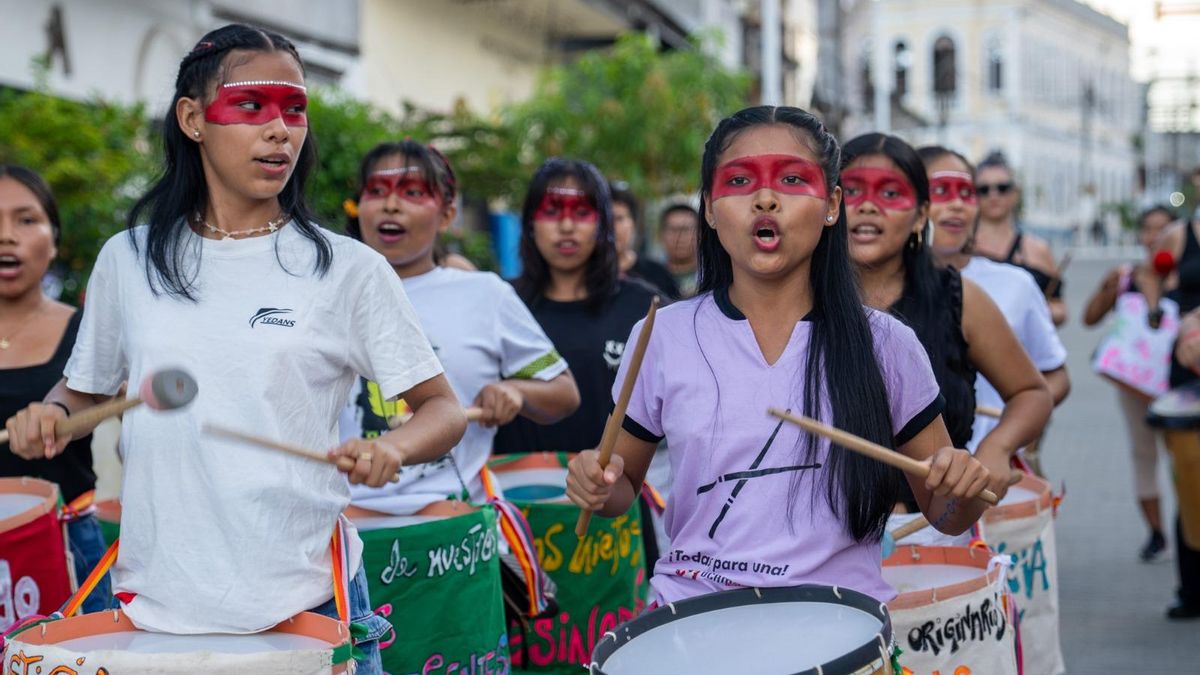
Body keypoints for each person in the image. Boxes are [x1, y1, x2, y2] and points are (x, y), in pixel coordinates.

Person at [3, 25, 466, 671]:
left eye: (295, 109)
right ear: (193, 118)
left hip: (306, 602)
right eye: (252, 106)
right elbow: (82, 390)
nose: (280, 129)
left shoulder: (348, 269)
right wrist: (50, 414)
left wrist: (391, 447)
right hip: (153, 607)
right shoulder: (128, 260)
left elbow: (442, 409)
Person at [566, 106, 993, 606]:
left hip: (839, 623)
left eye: (792, 179)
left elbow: (945, 515)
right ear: (709, 207)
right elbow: (622, 489)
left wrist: (960, 487)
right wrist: (596, 485)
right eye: (740, 180)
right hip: (692, 619)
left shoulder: (887, 345)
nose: (765, 199)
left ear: (832, 205)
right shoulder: (662, 335)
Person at [339, 139, 579, 512]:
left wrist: (516, 390)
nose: (391, 204)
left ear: (448, 213)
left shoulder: (484, 294)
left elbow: (564, 393)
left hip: (455, 525)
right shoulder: (325, 293)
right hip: (347, 527)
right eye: (376, 191)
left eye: (413, 192)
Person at [842, 135, 1052, 538]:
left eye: (889, 192)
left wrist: (995, 450)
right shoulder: (798, 301)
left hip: (935, 533)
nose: (868, 205)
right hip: (821, 546)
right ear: (831, 204)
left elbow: (1033, 391)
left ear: (921, 216)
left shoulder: (960, 298)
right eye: (852, 190)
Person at [0, 166, 112, 613]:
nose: (6, 237)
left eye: (26, 220)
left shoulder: (91, 332)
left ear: (55, 239)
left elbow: (137, 418)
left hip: (63, 553)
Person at [492, 159, 658, 457]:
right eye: (552, 212)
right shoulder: (498, 302)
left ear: (603, 224)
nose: (566, 226)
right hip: (512, 496)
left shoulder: (645, 309)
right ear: (530, 223)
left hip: (610, 493)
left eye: (582, 213)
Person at [918, 146, 1070, 456]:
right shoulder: (874, 287)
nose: (957, 205)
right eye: (941, 191)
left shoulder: (1015, 283)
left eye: (966, 192)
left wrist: (1011, 432)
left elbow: (1055, 377)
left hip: (989, 473)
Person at [1082, 205, 1176, 562]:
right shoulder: (1126, 276)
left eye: (1163, 229)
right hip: (1136, 385)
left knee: (1184, 459)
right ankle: (1156, 533)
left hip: (1182, 387)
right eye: (1148, 229)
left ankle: (1188, 528)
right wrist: (1108, 289)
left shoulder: (1188, 275)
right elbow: (1089, 318)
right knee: (1144, 456)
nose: (1154, 237)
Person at [970, 152, 1067, 326]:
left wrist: (1032, 309)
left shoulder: (1037, 249)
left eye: (1002, 188)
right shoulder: (963, 247)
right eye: (984, 189)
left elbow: (1059, 307)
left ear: (1015, 193)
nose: (993, 195)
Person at [610, 182, 680, 299]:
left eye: (619, 218)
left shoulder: (657, 274)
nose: (611, 227)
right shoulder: (581, 276)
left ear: (633, 223)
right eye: (604, 219)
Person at [659, 203, 700, 298]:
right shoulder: (651, 277)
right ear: (661, 235)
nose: (679, 237)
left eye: (685, 230)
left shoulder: (713, 277)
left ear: (700, 234)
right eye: (673, 230)